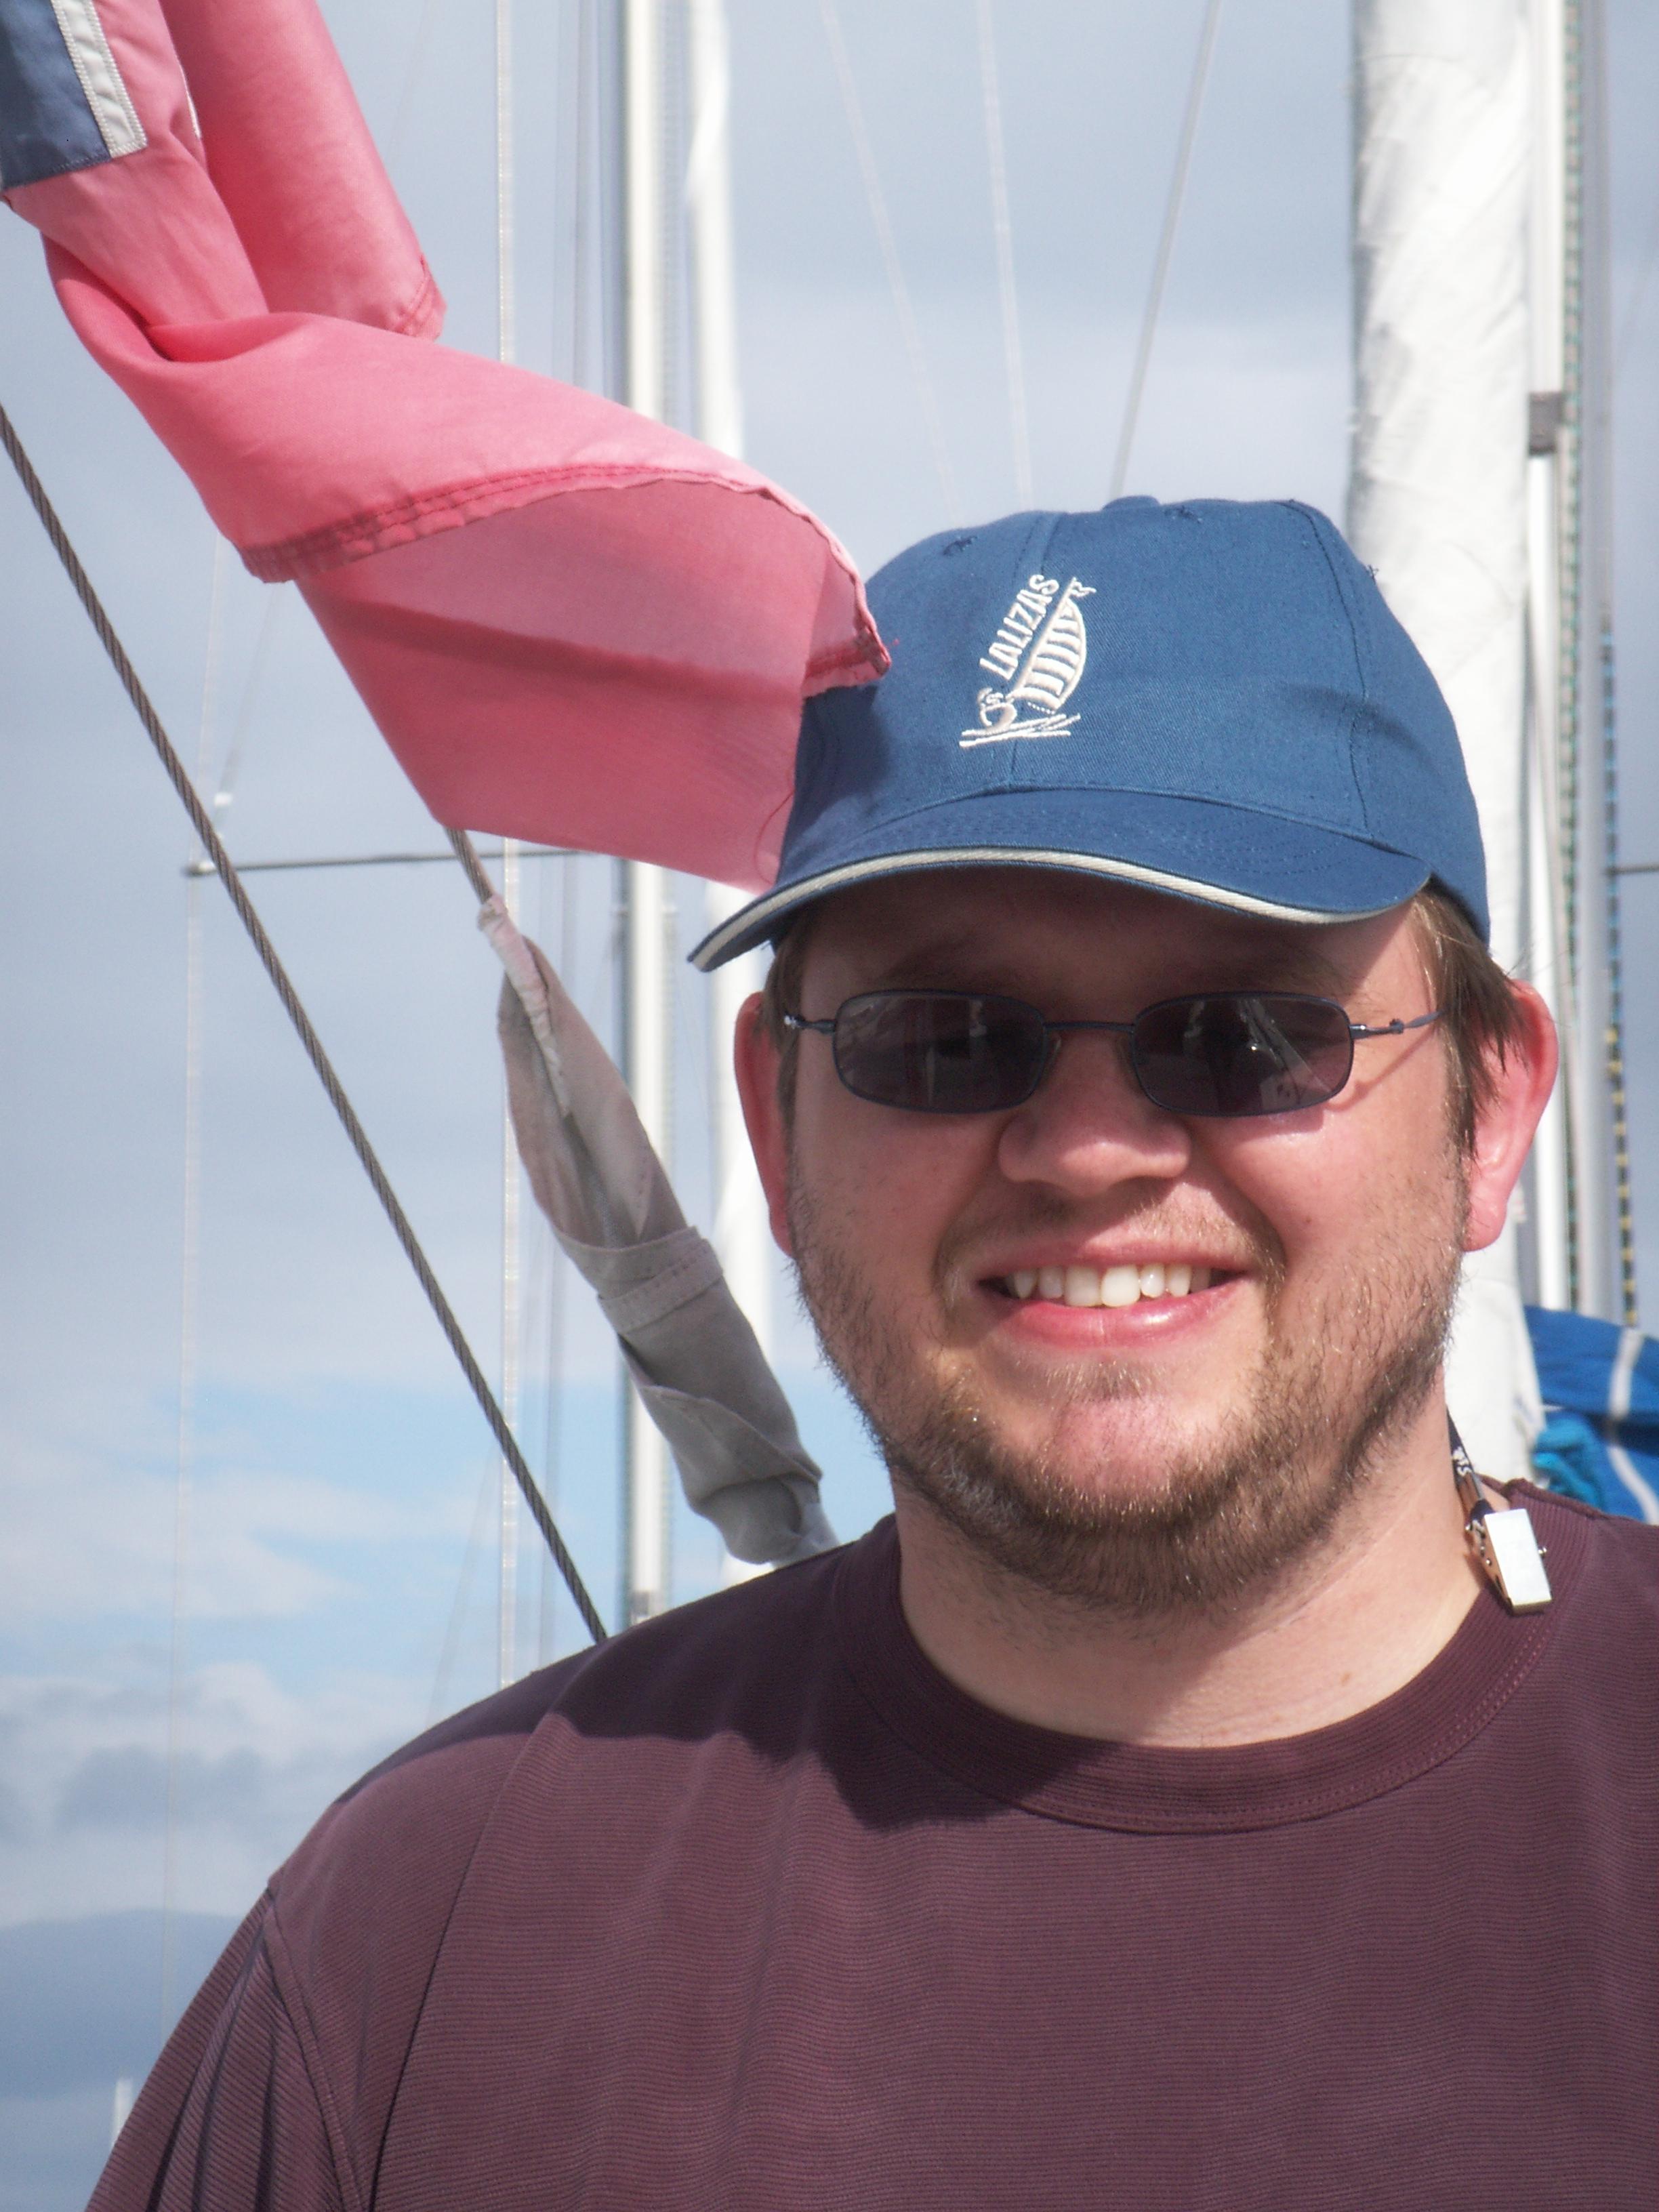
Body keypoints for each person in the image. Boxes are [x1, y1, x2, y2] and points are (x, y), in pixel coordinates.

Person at [91, 499, 1656, 2211]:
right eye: (945, 1039)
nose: (1087, 1152)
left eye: (1245, 1035)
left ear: (1491, 1110)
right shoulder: (416, 1952)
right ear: (776, 1126)